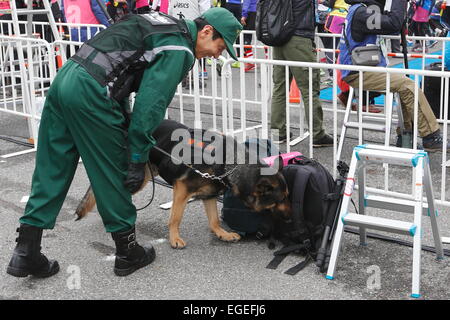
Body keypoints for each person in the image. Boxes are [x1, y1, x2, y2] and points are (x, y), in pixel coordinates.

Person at [6, 7, 242, 278]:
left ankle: (26, 251)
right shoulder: (180, 48)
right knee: (112, 171)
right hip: (92, 91)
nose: (217, 55)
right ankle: (128, 253)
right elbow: (150, 104)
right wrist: (138, 155)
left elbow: (122, 63)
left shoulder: (159, 22)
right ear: (206, 31)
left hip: (67, 77)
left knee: (51, 167)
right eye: (220, 46)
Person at [339, 0, 449, 150]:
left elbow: (391, 25)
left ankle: (405, 137)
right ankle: (431, 136)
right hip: (358, 72)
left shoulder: (360, 10)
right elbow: (392, 24)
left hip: (363, 69)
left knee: (403, 83)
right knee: (407, 85)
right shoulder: (361, 12)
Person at [270, 0, 333, 146]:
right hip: (299, 37)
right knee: (309, 88)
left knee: (279, 87)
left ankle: (277, 133)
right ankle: (317, 134)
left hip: (278, 37)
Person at [241, 0, 257, 72]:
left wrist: (244, 15)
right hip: (261, 10)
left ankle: (250, 61)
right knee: (264, 36)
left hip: (250, 11)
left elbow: (247, 2)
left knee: (246, 37)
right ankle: (267, 59)